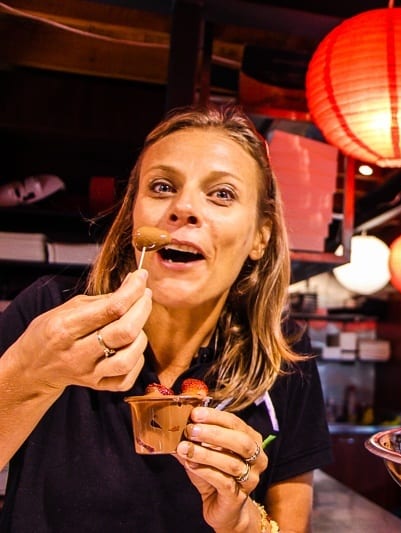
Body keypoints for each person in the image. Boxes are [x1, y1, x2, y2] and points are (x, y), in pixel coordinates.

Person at [0, 104, 333, 532]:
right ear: (133, 217)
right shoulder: (51, 312)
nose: (183, 208)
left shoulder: (285, 356)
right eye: (161, 186)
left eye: (222, 194)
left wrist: (243, 521)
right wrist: (31, 372)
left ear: (260, 236)